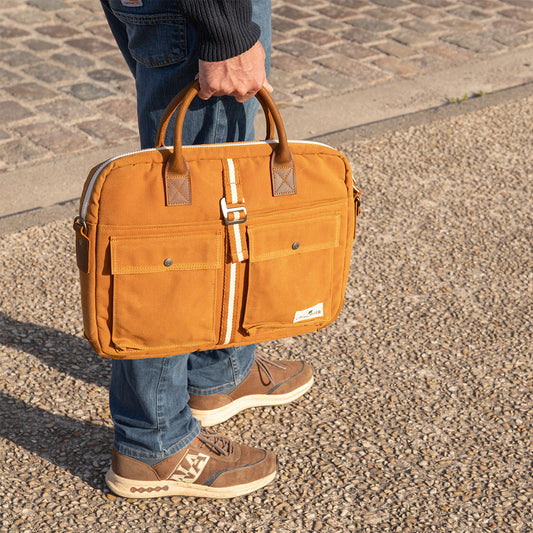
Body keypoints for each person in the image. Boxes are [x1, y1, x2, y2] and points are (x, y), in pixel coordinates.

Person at [99, 0, 314, 499]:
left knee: (215, 210)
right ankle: (153, 444)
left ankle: (218, 369)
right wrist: (226, 29)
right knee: (178, 239)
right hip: (203, 13)